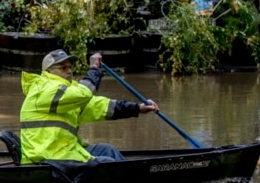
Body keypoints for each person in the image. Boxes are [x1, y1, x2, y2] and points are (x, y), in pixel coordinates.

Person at [19, 50, 159, 165]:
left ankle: (130, 179)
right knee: (106, 163)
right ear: (49, 72)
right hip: (48, 157)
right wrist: (93, 69)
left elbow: (100, 107)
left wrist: (138, 108)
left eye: (70, 67)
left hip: (64, 153)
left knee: (107, 150)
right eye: (63, 68)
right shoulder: (44, 89)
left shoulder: (66, 94)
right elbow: (84, 93)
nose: (69, 71)